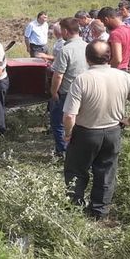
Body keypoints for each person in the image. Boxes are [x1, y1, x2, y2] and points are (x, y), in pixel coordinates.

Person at [63, 40, 130, 220]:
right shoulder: (123, 76)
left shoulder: (82, 79)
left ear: (87, 58)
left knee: (76, 171)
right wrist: (129, 121)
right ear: (109, 57)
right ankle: (99, 212)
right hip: (113, 131)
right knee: (105, 172)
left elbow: (69, 115)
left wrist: (68, 134)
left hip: (86, 132)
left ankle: (74, 208)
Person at [49, 18, 88, 157]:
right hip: (86, 90)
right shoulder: (87, 46)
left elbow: (58, 75)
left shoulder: (65, 50)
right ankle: (80, 150)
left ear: (65, 31)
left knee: (58, 122)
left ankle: (63, 151)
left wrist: (54, 92)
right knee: (80, 122)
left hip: (68, 92)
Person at [98, 7, 130, 72]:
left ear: (106, 19)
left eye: (103, 22)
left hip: (117, 71)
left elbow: (117, 59)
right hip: (126, 70)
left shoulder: (115, 34)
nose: (104, 25)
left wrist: (107, 71)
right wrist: (129, 65)